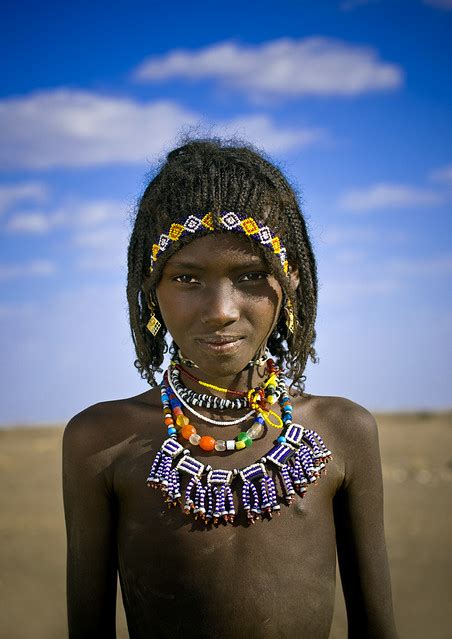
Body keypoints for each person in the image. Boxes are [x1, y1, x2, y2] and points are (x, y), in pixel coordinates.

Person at [63, 139, 398, 638]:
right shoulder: (99, 441)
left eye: (250, 275)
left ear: (291, 284)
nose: (221, 309)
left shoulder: (343, 432)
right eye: (188, 278)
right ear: (150, 290)